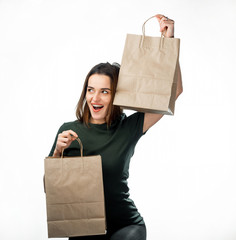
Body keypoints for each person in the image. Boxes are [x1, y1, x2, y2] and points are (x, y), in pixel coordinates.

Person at [48, 14, 183, 240]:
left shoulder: (129, 127)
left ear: (116, 95)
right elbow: (49, 189)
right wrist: (57, 152)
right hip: (83, 229)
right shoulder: (69, 131)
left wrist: (169, 42)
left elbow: (174, 92)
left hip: (126, 226)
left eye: (105, 91)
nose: (95, 98)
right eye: (91, 90)